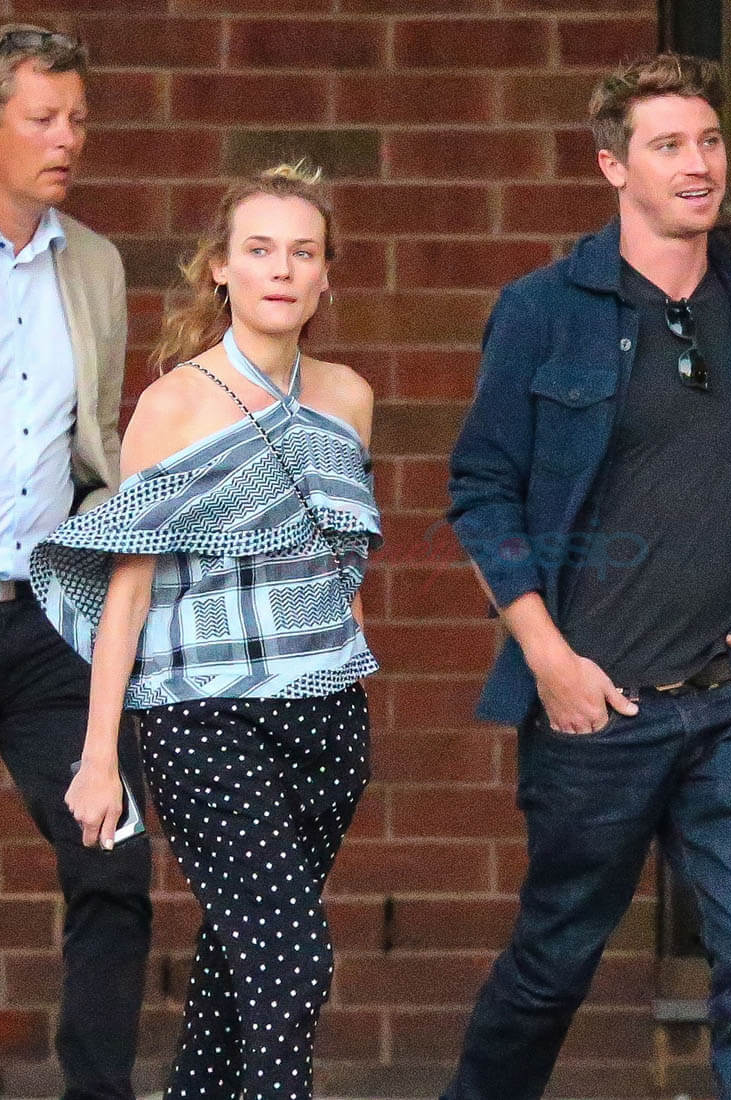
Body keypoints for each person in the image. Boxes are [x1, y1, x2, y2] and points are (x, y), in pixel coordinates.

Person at [443, 54, 731, 1100]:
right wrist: (547, 659)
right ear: (613, 166)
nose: (699, 164)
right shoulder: (542, 308)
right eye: (668, 145)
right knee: (552, 966)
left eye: (710, 140)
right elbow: (482, 491)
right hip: (597, 708)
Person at [31, 163, 381, 1100]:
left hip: (326, 721)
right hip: (203, 722)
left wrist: (344, 661)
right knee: (292, 964)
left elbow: (342, 558)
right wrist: (98, 758)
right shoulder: (174, 405)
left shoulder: (347, 396)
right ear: (220, 268)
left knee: (238, 976)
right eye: (259, 250)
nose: (281, 269)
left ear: (325, 275)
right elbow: (128, 591)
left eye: (302, 252)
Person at [0, 23, 152, 1098]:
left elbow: (94, 438)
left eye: (80, 119)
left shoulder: (93, 263)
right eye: (43, 118)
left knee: (114, 860)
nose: (69, 139)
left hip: (48, 621)